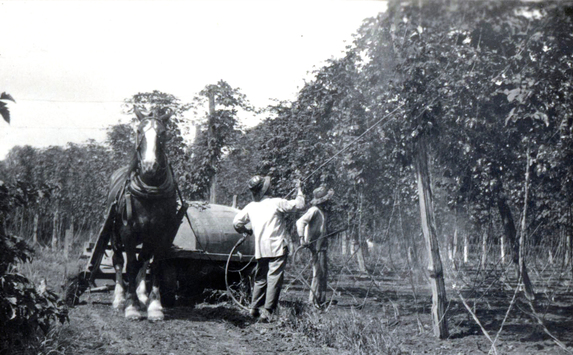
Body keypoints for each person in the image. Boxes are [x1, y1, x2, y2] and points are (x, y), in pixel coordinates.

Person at [233, 175, 304, 322]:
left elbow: (236, 223)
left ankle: (254, 309)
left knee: (260, 279)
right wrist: (299, 189)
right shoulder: (277, 202)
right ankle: (267, 311)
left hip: (261, 248)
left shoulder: (251, 207)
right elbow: (299, 204)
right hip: (277, 247)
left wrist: (246, 231)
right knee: (274, 278)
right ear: (266, 189)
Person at [296, 186, 334, 308]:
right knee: (318, 272)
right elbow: (300, 222)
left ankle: (320, 299)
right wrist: (302, 239)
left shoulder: (321, 212)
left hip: (321, 245)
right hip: (315, 245)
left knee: (323, 272)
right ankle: (313, 301)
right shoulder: (314, 210)